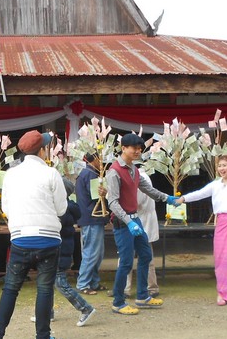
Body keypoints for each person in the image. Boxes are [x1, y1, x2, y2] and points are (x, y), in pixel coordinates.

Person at [0, 129, 68, 339]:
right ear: (43, 150)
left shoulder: (10, 174)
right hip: (49, 239)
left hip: (21, 239)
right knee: (44, 289)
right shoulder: (51, 173)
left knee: (10, 288)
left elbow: (6, 209)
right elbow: (62, 209)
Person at [106, 133, 180, 315]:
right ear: (123, 148)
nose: (138, 151)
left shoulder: (134, 170)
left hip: (135, 218)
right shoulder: (114, 171)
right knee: (126, 262)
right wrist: (128, 222)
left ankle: (142, 296)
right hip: (123, 222)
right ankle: (118, 302)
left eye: (139, 148)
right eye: (134, 148)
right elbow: (112, 202)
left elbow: (148, 189)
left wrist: (167, 198)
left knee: (146, 255)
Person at [178, 154, 227, 306]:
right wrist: (183, 199)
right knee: (222, 258)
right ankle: (223, 291)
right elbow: (200, 193)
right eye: (219, 166)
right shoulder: (215, 184)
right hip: (222, 223)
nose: (222, 168)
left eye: (224, 165)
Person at [56, 178, 96, 326]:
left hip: (59, 250)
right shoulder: (68, 206)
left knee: (60, 283)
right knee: (46, 281)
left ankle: (85, 308)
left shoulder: (62, 209)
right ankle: (46, 312)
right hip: (61, 249)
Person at [75, 153, 109, 295]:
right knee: (92, 251)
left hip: (91, 217)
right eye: (99, 158)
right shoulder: (90, 174)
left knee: (96, 252)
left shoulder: (86, 173)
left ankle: (93, 281)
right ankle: (83, 283)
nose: (101, 161)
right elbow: (96, 196)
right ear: (94, 159)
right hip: (92, 217)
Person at [124, 167, 160, 300]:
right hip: (142, 221)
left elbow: (133, 202)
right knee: (146, 256)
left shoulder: (138, 178)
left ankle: (125, 288)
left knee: (127, 256)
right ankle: (152, 287)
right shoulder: (144, 176)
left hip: (138, 221)